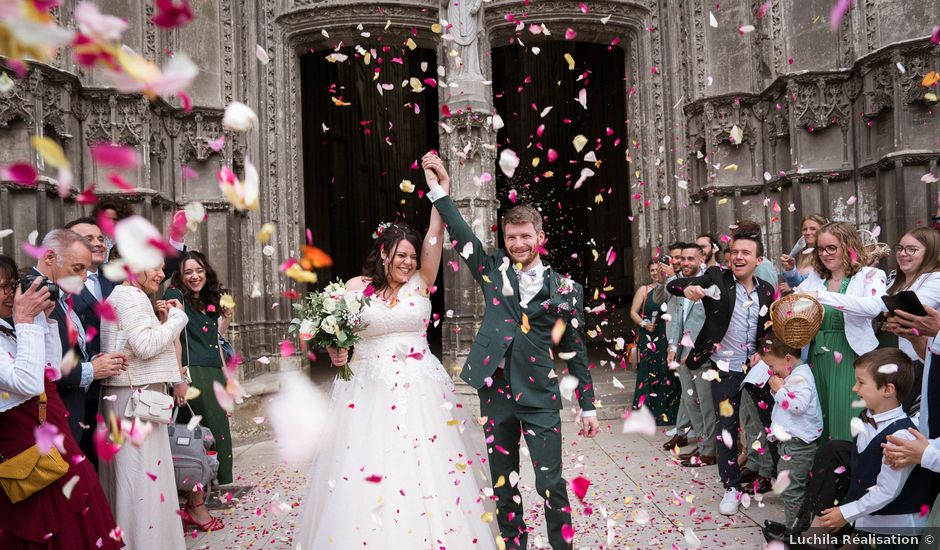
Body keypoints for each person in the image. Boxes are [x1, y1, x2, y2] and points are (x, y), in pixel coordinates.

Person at [296, 161, 498, 549]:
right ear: (384, 254)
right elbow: (329, 332)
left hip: (421, 392)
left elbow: (436, 234)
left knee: (428, 472)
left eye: (411, 256)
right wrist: (337, 351)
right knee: (367, 471)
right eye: (400, 255)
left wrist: (439, 188)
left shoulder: (422, 282)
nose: (408, 262)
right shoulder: (356, 287)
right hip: (366, 395)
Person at [422, 152, 597, 550]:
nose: (518, 244)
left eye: (525, 236)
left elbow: (574, 350)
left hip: (539, 394)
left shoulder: (568, 290)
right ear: (504, 237)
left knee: (550, 481)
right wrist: (440, 192)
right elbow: (463, 237)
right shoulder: (492, 268)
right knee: (504, 481)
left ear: (539, 236)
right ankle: (514, 545)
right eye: (511, 237)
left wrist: (587, 405)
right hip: (497, 391)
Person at [0, 254, 123, 549]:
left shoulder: (8, 328)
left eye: (10, 285)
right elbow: (28, 383)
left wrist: (42, 320)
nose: (9, 294)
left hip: (57, 453)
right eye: (0, 287)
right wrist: (26, 320)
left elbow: (51, 370)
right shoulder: (15, 325)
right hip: (28, 462)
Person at [666, 225, 775, 515]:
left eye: (746, 253)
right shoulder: (717, 278)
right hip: (724, 370)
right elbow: (674, 286)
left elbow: (770, 330)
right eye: (734, 252)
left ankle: (774, 473)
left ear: (758, 260)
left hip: (756, 370)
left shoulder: (767, 290)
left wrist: (763, 353)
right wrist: (685, 287)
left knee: (769, 424)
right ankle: (732, 488)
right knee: (726, 429)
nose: (738, 257)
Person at [98, 261, 191, 547]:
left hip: (129, 399)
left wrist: (162, 322)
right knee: (142, 483)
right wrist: (177, 319)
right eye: (154, 267)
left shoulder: (121, 295)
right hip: (136, 403)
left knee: (133, 481)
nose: (162, 275)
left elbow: (137, 344)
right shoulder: (132, 296)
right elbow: (145, 345)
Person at [817, 349, 933, 548]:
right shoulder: (866, 420)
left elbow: (887, 491)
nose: (855, 388)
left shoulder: (900, 436)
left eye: (861, 382)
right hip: (870, 522)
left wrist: (846, 513)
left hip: (894, 528)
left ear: (888, 390)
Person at [796, 221, 887, 443]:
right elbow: (798, 308)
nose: (825, 254)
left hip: (851, 355)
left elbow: (874, 307)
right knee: (820, 415)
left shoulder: (871, 274)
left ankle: (848, 472)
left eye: (831, 248)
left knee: (846, 414)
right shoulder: (816, 278)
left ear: (848, 247)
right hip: (818, 354)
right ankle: (825, 472)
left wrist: (823, 296)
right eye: (820, 249)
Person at [33, 229, 127, 442]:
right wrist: (91, 370)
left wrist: (93, 359)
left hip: (72, 411)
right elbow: (38, 366)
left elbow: (67, 350)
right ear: (49, 257)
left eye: (86, 270)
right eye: (78, 269)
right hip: (47, 420)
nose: (84, 278)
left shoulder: (61, 297)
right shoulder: (32, 294)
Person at [164, 251, 233, 521]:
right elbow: (173, 339)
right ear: (180, 276)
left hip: (214, 373)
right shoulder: (176, 296)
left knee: (212, 438)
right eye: (188, 272)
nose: (195, 276)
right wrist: (178, 379)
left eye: (199, 270)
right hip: (193, 376)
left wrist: (227, 383)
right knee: (198, 442)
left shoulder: (209, 298)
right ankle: (195, 506)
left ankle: (191, 503)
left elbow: (215, 342)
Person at [64, 217, 116, 465]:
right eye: (88, 239)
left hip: (114, 387)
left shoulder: (115, 278)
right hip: (78, 391)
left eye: (100, 238)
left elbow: (157, 273)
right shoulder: (58, 286)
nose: (98, 243)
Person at [658, 244, 715, 464]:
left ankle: (709, 449)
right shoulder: (678, 283)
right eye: (683, 259)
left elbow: (713, 323)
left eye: (691, 258)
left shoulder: (711, 283)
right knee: (690, 400)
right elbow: (676, 317)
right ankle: (702, 444)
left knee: (706, 402)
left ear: (702, 259)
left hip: (700, 354)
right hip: (681, 351)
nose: (686, 263)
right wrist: (672, 345)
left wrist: (696, 352)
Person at [761, 333, 823, 533]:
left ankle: (794, 532)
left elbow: (797, 406)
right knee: (792, 488)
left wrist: (779, 390)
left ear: (788, 358)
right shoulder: (793, 374)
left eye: (771, 366)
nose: (771, 371)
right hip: (791, 443)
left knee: (791, 490)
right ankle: (798, 526)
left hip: (798, 444)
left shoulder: (801, 376)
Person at [630, 259, 679, 425]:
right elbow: (633, 312)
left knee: (666, 372)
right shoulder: (644, 290)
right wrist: (644, 324)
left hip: (667, 335)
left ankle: (666, 412)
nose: (654, 273)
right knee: (648, 371)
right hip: (649, 335)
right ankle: (647, 414)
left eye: (657, 270)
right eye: (651, 270)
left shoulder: (672, 288)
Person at [780, 214, 827, 288]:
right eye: (805, 229)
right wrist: (790, 269)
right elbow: (797, 284)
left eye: (813, 229)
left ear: (823, 230)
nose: (808, 232)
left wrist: (790, 287)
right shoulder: (802, 254)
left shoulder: (826, 255)